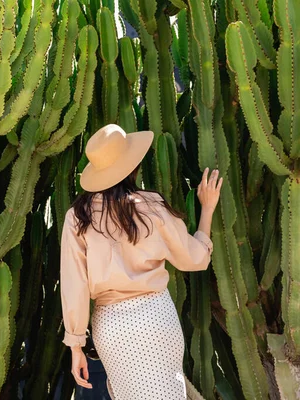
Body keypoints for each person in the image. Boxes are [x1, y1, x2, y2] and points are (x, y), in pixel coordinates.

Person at [60, 124, 223, 399]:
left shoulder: (77, 218)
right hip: (155, 318)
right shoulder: (151, 206)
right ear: (131, 166)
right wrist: (206, 208)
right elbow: (194, 258)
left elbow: (74, 286)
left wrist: (76, 346)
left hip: (111, 327)